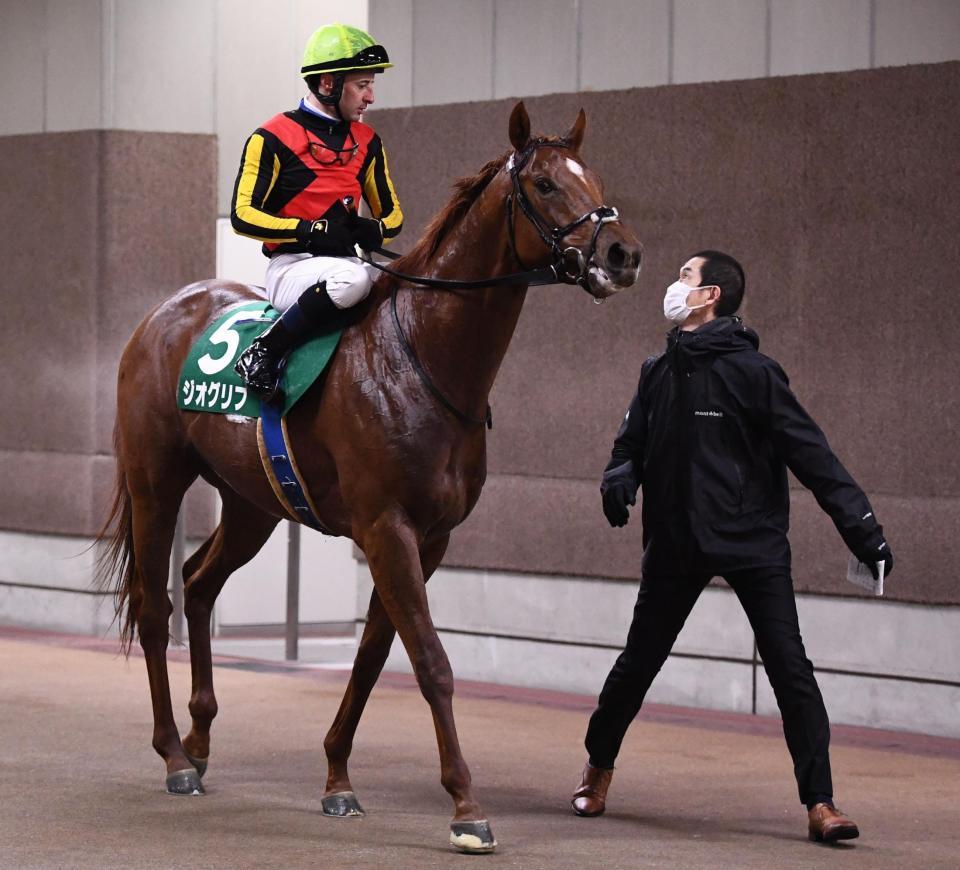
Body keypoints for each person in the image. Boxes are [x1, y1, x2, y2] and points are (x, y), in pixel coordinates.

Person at [571, 250, 894, 844]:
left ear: (710, 295)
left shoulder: (756, 372)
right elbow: (631, 442)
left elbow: (812, 453)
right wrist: (620, 475)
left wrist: (863, 528)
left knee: (791, 669)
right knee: (638, 664)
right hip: (675, 541)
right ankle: (598, 769)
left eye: (685, 276)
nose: (674, 284)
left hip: (753, 542)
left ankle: (821, 803)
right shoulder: (657, 369)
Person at [230, 23, 403, 401]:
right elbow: (243, 214)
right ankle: (263, 351)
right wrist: (308, 232)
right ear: (328, 84)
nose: (371, 97)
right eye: (362, 85)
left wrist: (370, 231)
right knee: (354, 281)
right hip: (292, 266)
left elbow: (392, 217)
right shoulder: (272, 137)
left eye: (371, 84)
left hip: (348, 264)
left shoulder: (369, 142)